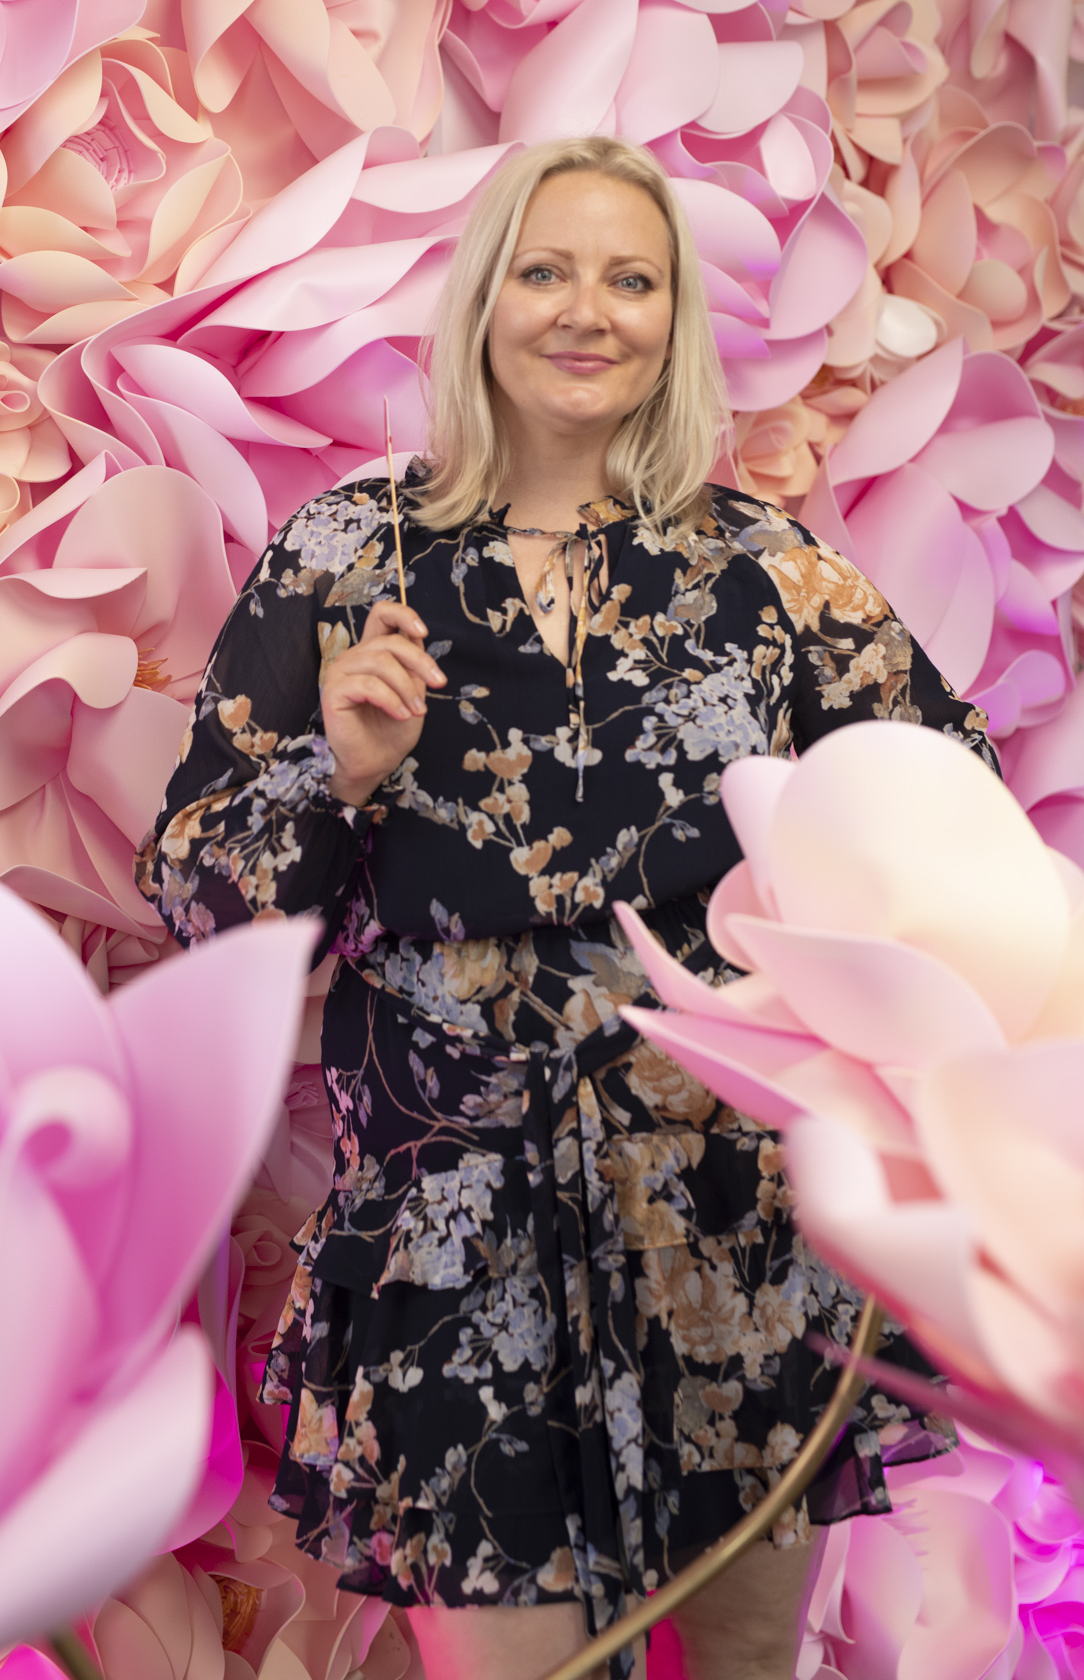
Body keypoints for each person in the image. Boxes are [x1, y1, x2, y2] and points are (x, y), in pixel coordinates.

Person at [136, 137, 999, 1680]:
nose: (585, 311)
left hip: (726, 1236)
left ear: (674, 320)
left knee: (736, 1665)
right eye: (546, 271)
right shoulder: (348, 558)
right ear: (484, 301)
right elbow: (202, 894)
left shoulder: (770, 577)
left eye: (630, 278)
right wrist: (339, 769)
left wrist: (823, 986)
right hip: (453, 1238)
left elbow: (949, 823)